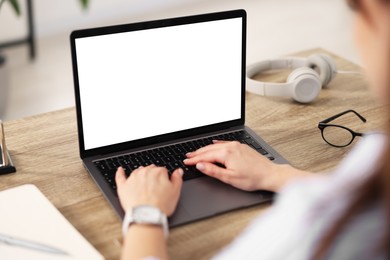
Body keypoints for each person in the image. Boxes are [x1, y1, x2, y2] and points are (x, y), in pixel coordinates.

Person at [115, 0, 390, 259]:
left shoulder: (316, 227)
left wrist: (145, 216)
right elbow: (348, 192)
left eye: (357, 11)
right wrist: (276, 174)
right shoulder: (376, 156)